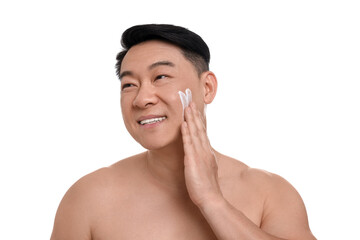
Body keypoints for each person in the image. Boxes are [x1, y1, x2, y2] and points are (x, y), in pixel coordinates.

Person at [51, 24, 316, 240]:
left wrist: (213, 201)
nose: (142, 99)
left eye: (161, 77)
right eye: (129, 84)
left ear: (208, 88)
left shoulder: (269, 193)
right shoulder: (89, 197)